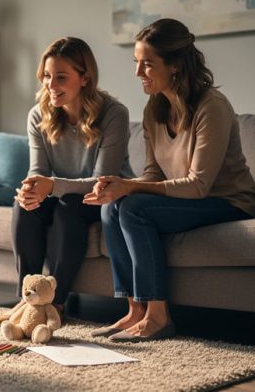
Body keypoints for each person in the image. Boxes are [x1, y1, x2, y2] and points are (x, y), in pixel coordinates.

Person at [83, 18, 255, 342]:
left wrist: (131, 186)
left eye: (147, 65)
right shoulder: (154, 108)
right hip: (188, 199)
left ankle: (159, 316)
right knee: (112, 207)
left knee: (134, 207)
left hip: (228, 201)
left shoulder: (212, 107)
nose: (138, 73)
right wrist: (118, 187)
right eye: (137, 63)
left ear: (174, 65)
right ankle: (135, 310)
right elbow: (154, 174)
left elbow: (198, 184)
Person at [12, 37, 133, 318]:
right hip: (60, 192)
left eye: (61, 77)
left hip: (103, 196)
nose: (51, 86)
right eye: (46, 76)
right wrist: (31, 189)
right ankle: (27, 300)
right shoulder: (38, 115)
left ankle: (56, 302)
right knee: (25, 207)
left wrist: (51, 186)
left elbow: (103, 179)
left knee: (68, 209)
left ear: (85, 78)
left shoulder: (115, 114)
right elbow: (38, 171)